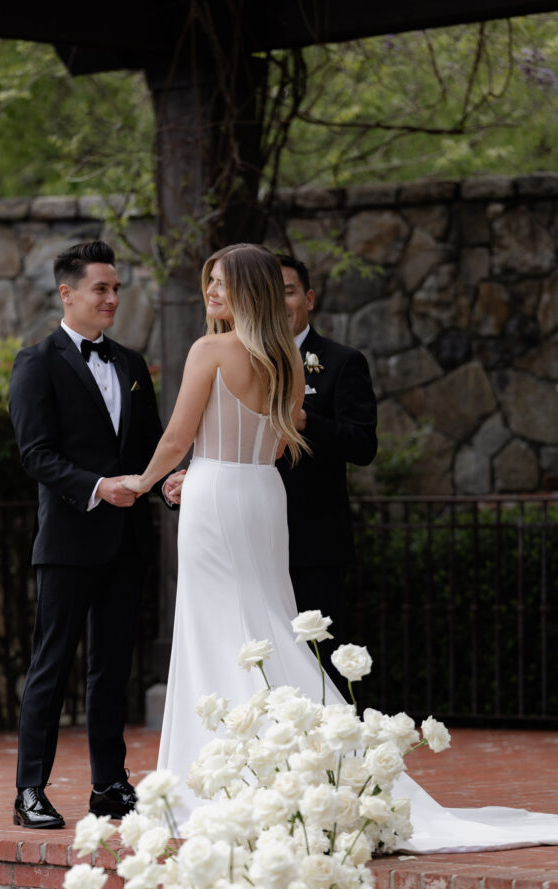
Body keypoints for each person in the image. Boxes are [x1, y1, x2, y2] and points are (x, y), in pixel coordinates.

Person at [125, 243, 558, 852]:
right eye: (208, 282)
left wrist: (144, 482)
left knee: (220, 625)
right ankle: (312, 763)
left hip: (218, 495)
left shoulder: (210, 350)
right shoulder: (287, 360)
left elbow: (176, 437)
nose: (210, 293)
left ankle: (228, 781)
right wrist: (222, 469)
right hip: (260, 493)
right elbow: (279, 445)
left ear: (246, 289)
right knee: (268, 624)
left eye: (221, 283)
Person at [9, 240, 181, 829]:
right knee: (50, 664)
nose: (112, 298)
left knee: (111, 668)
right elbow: (36, 456)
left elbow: (152, 447)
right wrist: (98, 486)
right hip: (67, 542)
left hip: (126, 543)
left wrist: (169, 484)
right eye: (100, 289)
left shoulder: (131, 364)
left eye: (116, 289)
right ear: (68, 293)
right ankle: (29, 788)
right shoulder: (37, 362)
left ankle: (109, 785)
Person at [276, 254, 377, 681]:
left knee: (319, 666)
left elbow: (363, 445)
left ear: (309, 298)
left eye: (288, 291)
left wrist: (306, 421)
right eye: (269, 293)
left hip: (313, 544)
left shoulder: (340, 361)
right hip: (252, 539)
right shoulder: (237, 361)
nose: (279, 303)